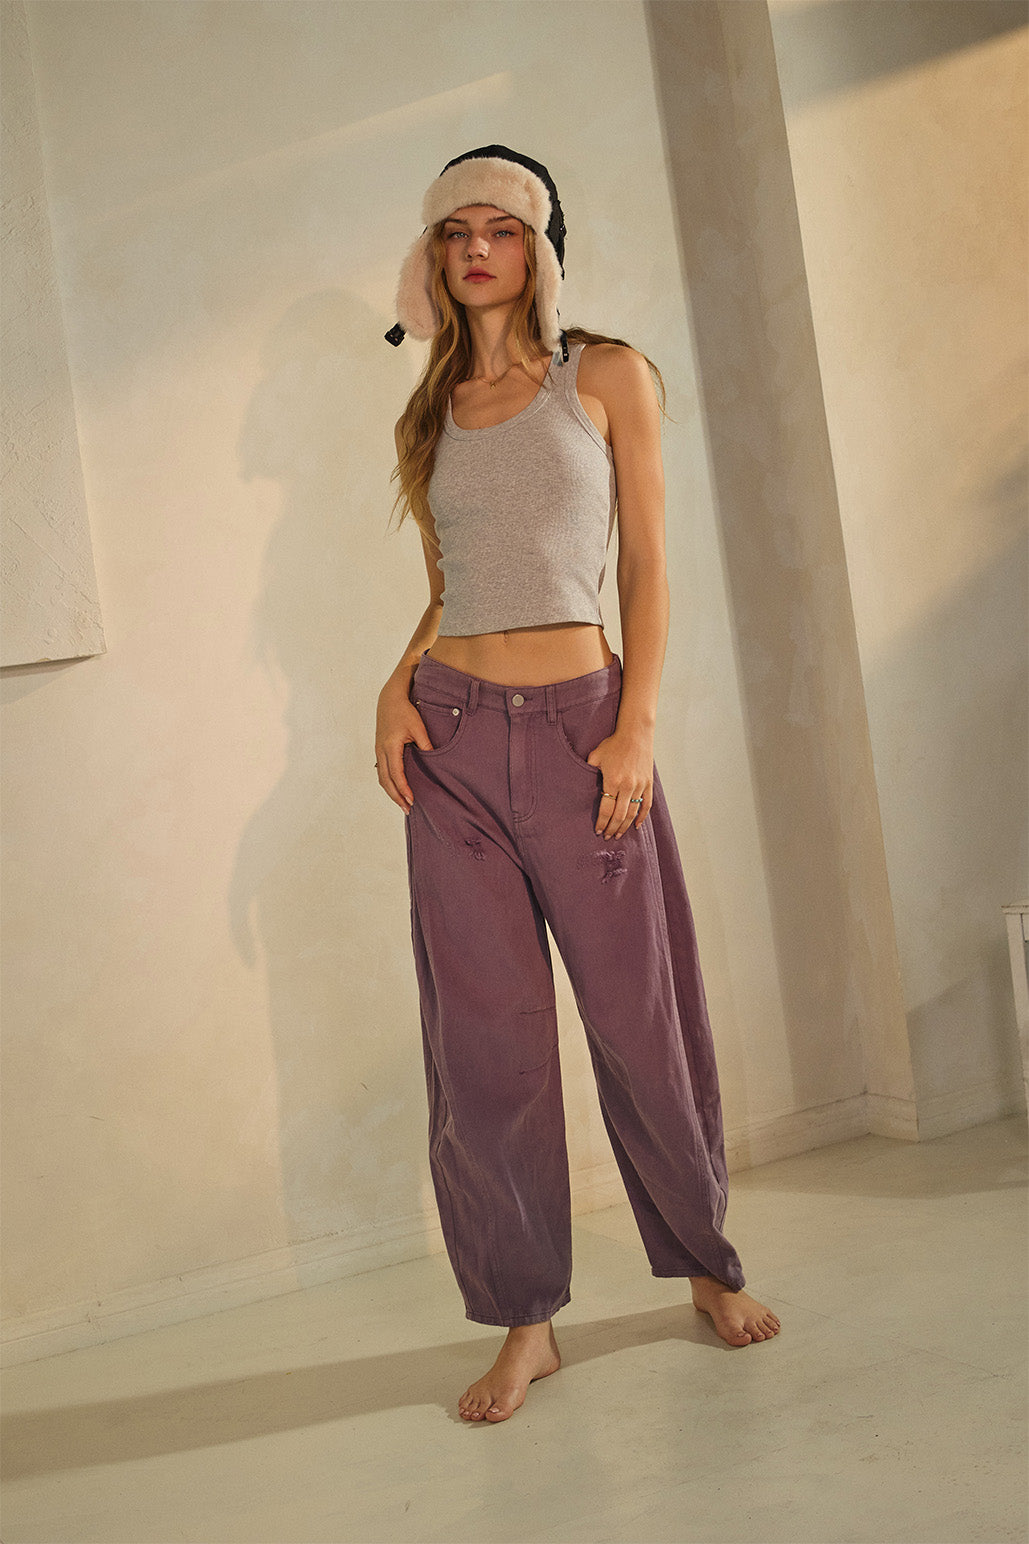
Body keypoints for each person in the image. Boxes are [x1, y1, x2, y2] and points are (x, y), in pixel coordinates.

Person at [375, 146, 780, 1424]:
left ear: (540, 246)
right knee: (485, 1044)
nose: (477, 248)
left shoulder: (604, 376)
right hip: (450, 739)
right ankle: (526, 1319)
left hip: (583, 732)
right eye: (455, 231)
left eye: (501, 228)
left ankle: (705, 1261)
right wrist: (396, 680)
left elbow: (647, 563)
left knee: (640, 1015)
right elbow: (453, 585)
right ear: (433, 254)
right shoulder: (433, 406)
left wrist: (636, 725)